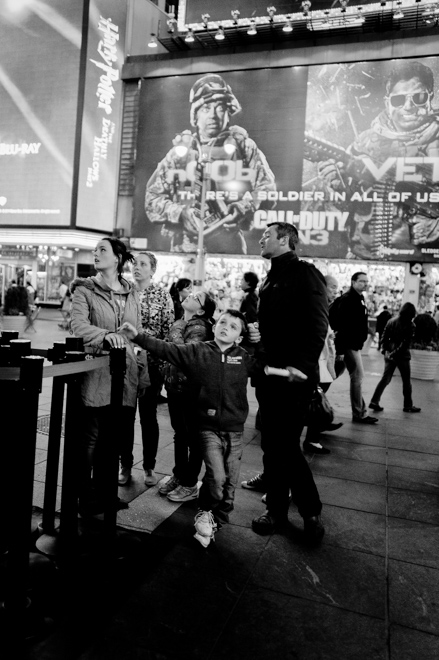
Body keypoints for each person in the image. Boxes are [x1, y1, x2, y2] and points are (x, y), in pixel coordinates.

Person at [120, 309, 265, 548]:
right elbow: (167, 349)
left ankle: (216, 518)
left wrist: (288, 371)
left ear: (239, 337)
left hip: (235, 430)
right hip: (206, 428)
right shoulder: (198, 351)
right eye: (222, 322)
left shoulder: (243, 357)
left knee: (229, 486)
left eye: (233, 326)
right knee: (217, 477)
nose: (225, 327)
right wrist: (138, 336)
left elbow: (264, 368)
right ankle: (206, 511)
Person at [250, 222, 328, 543]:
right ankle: (277, 511)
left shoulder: (304, 273)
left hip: (293, 379)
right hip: (269, 376)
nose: (261, 239)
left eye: (266, 235)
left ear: (284, 240)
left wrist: (301, 366)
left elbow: (318, 324)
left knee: (285, 445)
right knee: (272, 444)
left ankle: (310, 512)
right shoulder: (270, 278)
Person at [318, 61, 439, 259]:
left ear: (430, 97)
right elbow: (344, 209)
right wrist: (338, 190)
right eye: (399, 100)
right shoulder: (365, 143)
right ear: (387, 102)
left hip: (423, 258)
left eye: (418, 97)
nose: (408, 107)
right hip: (364, 255)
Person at [145, 73, 276, 255]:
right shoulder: (181, 152)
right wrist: (180, 213)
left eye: (220, 108)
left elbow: (268, 188)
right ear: (195, 115)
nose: (213, 115)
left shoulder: (243, 147)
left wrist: (243, 207)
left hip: (227, 246)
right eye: (206, 108)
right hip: (184, 247)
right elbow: (152, 198)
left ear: (228, 113)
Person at [70, 237, 148, 516]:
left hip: (126, 374)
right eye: (94, 250)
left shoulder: (132, 293)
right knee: (90, 437)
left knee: (112, 439)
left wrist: (143, 372)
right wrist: (107, 336)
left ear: (117, 258)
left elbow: (137, 336)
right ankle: (83, 496)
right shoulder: (84, 290)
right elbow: (78, 326)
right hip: (97, 372)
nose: (95, 253)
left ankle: (106, 493)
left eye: (102, 250)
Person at [118, 251, 174, 487]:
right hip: (126, 362)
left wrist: (161, 365)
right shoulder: (122, 292)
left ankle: (149, 466)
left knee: (148, 417)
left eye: (143, 264)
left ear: (152, 270)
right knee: (125, 417)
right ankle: (126, 465)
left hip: (151, 365)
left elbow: (168, 332)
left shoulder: (163, 296)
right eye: (134, 264)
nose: (136, 268)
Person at [159, 290, 216, 503]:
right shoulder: (184, 324)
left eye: (196, 297)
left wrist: (177, 327)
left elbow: (184, 352)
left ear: (201, 309)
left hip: (192, 390)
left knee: (192, 436)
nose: (190, 296)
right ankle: (180, 475)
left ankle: (190, 482)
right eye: (191, 293)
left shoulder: (199, 326)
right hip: (176, 387)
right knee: (180, 434)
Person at [303, 274, 344, 456]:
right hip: (315, 364)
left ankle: (317, 428)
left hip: (321, 364)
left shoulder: (323, 306)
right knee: (314, 400)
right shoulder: (313, 306)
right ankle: (312, 437)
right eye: (332, 287)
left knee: (315, 400)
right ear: (322, 287)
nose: (336, 291)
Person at [330, 272, 378, 425]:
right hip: (349, 345)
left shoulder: (358, 298)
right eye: (362, 281)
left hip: (352, 345)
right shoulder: (349, 299)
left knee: (332, 374)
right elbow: (343, 326)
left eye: (366, 281)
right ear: (353, 282)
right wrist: (341, 350)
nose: (365, 284)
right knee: (357, 376)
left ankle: (312, 396)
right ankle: (359, 413)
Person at [369, 303, 421, 414]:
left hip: (389, 354)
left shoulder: (391, 321)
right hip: (402, 356)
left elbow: (384, 337)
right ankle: (408, 406)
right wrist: (393, 353)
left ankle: (374, 401)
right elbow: (405, 344)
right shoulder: (411, 325)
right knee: (406, 381)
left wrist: (386, 351)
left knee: (385, 379)